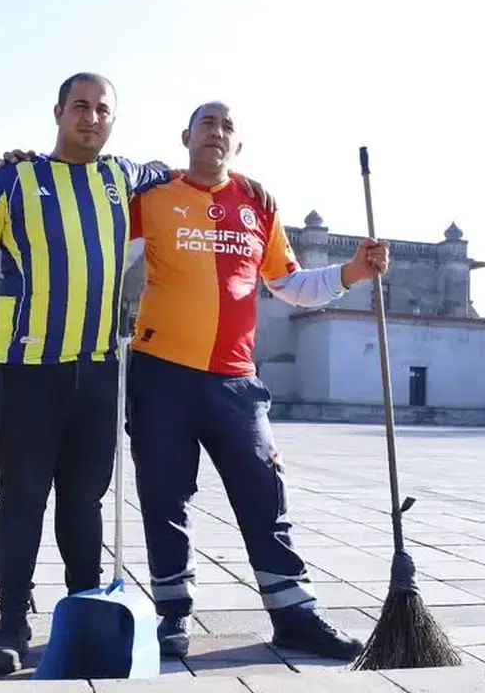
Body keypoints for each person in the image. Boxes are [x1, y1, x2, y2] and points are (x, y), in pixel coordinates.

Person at [0, 73, 275, 676]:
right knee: (22, 497)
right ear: (58, 112)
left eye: (102, 109)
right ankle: (12, 622)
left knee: (84, 502)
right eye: (80, 107)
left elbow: (186, 172)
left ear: (113, 120)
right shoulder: (15, 179)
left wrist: (241, 183)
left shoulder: (125, 177)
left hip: (99, 370)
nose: (91, 117)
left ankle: (82, 612)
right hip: (29, 366)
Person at [125, 101, 390, 660]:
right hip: (160, 373)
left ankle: (295, 615)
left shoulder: (257, 205)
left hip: (236, 380)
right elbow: (97, 248)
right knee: (164, 495)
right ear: (186, 136)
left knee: (265, 494)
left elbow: (290, 284)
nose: (216, 132)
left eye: (227, 126)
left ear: (237, 145)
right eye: (207, 123)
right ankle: (172, 615)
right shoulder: (151, 196)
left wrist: (352, 272)